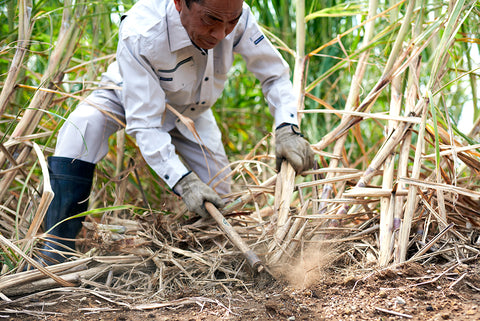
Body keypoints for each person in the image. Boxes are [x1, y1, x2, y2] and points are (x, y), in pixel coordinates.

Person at [41, 0, 314, 264]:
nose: (221, 34)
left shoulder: (235, 15)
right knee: (82, 127)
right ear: (179, 3)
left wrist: (287, 128)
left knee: (219, 197)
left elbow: (275, 75)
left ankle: (200, 255)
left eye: (231, 22)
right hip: (128, 96)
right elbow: (145, 123)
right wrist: (183, 182)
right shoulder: (141, 31)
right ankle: (56, 248)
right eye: (211, 20)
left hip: (191, 112)